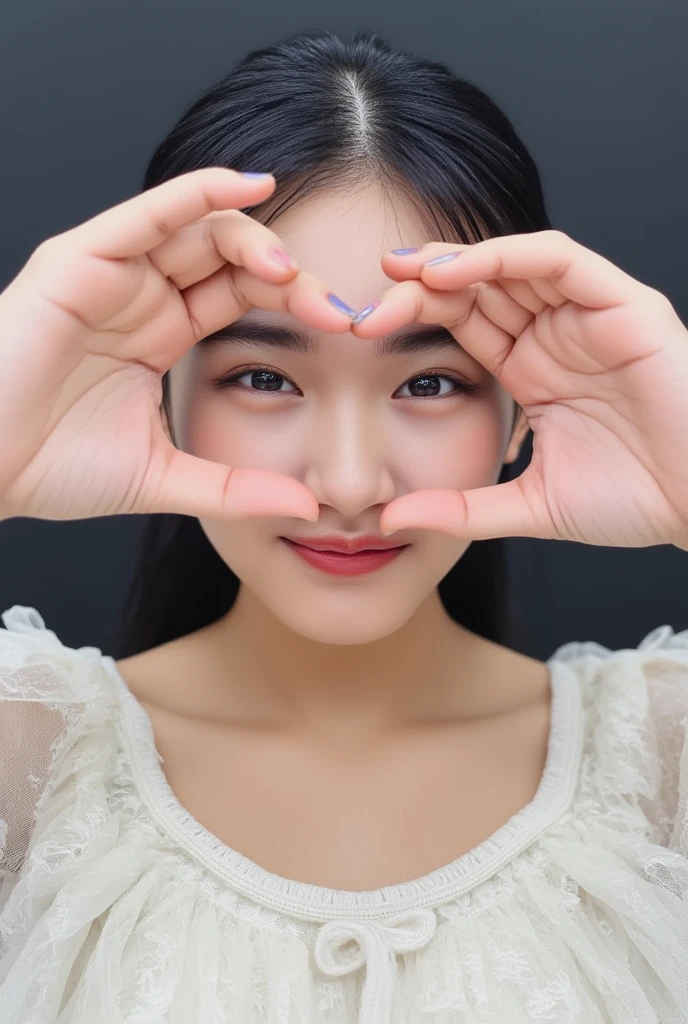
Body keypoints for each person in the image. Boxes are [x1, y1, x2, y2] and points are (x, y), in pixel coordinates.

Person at [1, 27, 687, 1024]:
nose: (352, 481)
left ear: (524, 404)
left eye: (430, 381)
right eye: (266, 377)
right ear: (158, 388)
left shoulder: (661, 761)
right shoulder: (29, 750)